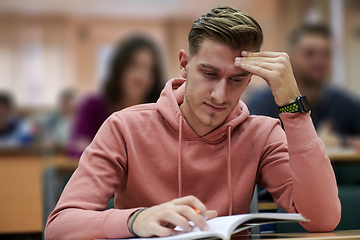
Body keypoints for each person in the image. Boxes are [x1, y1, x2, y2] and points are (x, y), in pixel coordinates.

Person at [45, 7, 341, 240]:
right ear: (184, 64)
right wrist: (136, 220)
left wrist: (295, 110)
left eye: (236, 79)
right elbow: (59, 227)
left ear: (250, 78)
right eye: (209, 74)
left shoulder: (262, 134)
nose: (220, 95)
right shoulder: (124, 127)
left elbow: (323, 219)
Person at [246, 23, 360, 147]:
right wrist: (317, 142)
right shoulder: (263, 104)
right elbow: (253, 146)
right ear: (290, 56)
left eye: (326, 54)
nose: (319, 61)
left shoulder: (343, 103)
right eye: (310, 53)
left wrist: (344, 142)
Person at [68, 35, 164, 158]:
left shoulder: (160, 113)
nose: (141, 76)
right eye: (134, 65)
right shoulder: (92, 105)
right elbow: (75, 149)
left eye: (149, 69)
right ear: (119, 67)